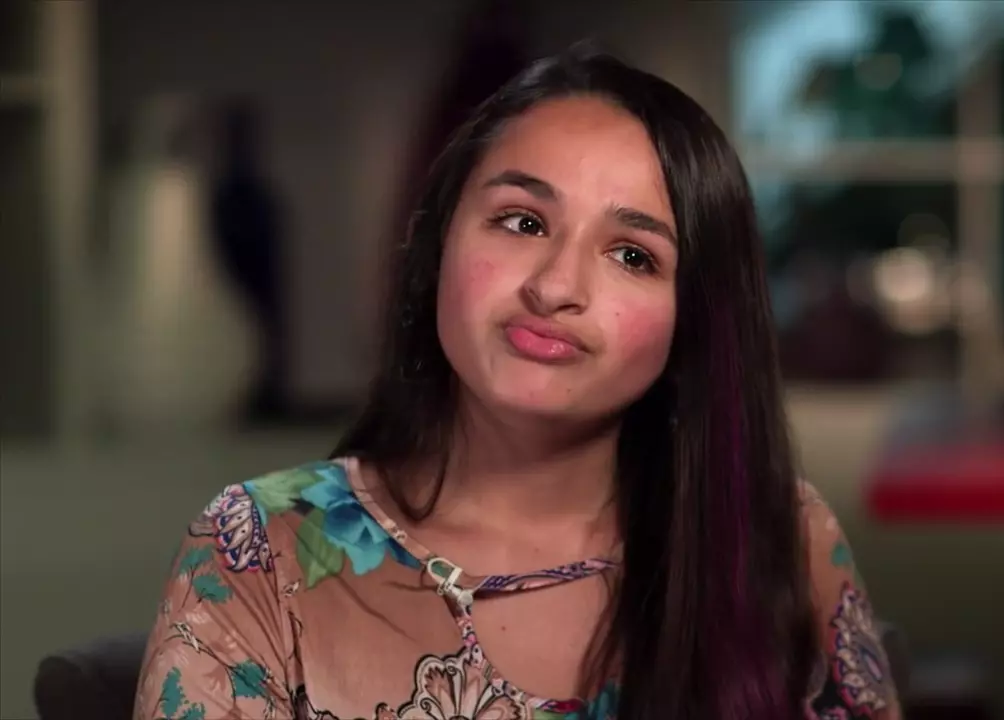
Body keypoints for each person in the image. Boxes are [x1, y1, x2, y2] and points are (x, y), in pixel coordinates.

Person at [134, 46, 901, 720]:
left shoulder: (779, 538)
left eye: (632, 256)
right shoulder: (257, 552)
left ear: (693, 323)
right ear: (436, 245)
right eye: (523, 222)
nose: (556, 286)